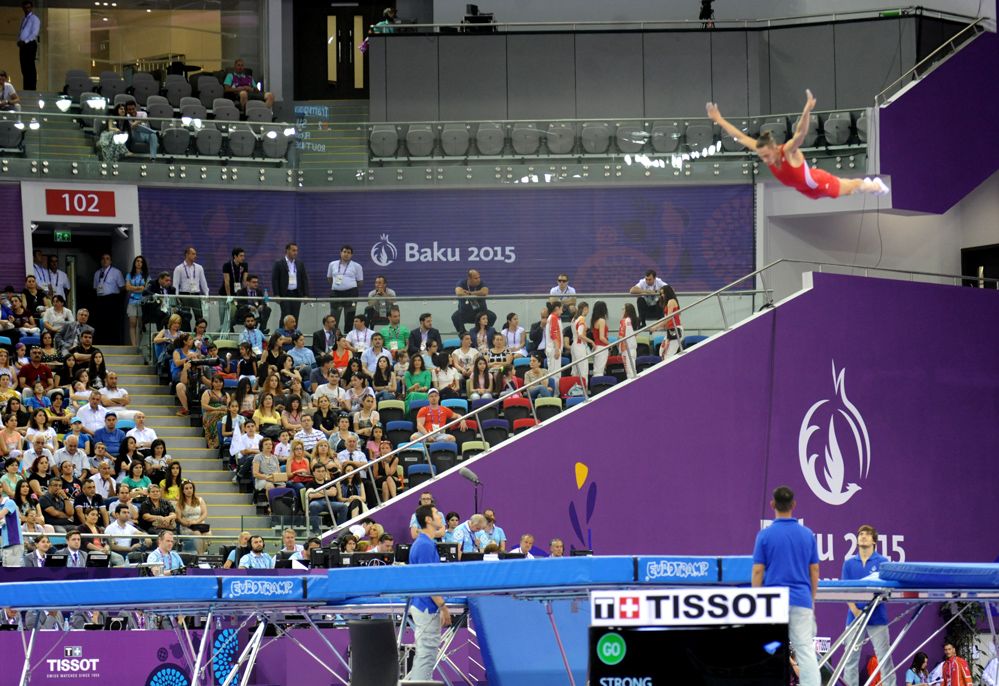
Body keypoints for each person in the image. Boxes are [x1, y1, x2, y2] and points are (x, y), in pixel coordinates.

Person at [707, 91, 888, 199]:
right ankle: (872, 186)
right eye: (761, 156)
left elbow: (800, 133)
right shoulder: (763, 150)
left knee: (850, 188)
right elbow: (738, 136)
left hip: (817, 182)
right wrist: (719, 119)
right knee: (847, 186)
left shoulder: (787, 151)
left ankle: (874, 187)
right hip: (806, 190)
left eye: (767, 155)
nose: (765, 159)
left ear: (774, 148)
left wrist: (807, 110)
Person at [752, 486, 820, 686]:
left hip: (773, 601)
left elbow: (757, 571)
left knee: (768, 647)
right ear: (793, 505)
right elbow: (814, 571)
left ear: (772, 505)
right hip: (801, 599)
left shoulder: (765, 536)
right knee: (805, 650)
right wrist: (812, 599)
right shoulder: (807, 535)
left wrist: (757, 601)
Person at [842, 525, 896, 686]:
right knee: (850, 659)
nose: (863, 536)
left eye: (867, 534)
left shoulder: (883, 562)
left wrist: (875, 604)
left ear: (874, 541)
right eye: (861, 534)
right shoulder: (849, 563)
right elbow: (845, 590)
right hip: (854, 617)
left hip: (877, 617)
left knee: (884, 658)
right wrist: (855, 610)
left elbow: (887, 589)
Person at [407, 503, 452, 681]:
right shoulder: (424, 545)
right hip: (426, 606)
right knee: (426, 654)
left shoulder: (426, 544)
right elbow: (427, 582)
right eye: (436, 514)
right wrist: (443, 607)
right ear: (428, 520)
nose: (441, 516)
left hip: (425, 605)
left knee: (426, 654)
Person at [328, 245, 364, 334]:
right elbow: (330, 278)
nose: (346, 254)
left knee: (350, 316)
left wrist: (349, 287)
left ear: (351, 255)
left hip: (351, 293)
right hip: (336, 293)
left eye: (348, 253)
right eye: (344, 252)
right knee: (334, 316)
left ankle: (347, 335)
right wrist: (338, 287)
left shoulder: (356, 266)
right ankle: (334, 335)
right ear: (340, 253)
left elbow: (360, 281)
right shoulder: (332, 264)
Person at [272, 243, 309, 324]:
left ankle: (294, 335)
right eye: (293, 250)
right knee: (285, 315)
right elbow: (275, 279)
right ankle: (281, 334)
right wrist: (276, 294)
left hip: (296, 293)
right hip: (285, 293)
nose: (295, 252)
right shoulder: (279, 263)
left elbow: (304, 279)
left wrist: (306, 294)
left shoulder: (299, 263)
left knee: (295, 316)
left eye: (296, 251)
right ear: (287, 250)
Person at [92, 254, 126, 344]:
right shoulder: (97, 273)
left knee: (112, 322)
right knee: (101, 321)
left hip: (112, 299)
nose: (105, 260)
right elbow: (95, 287)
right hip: (101, 299)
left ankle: (113, 342)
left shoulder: (116, 272)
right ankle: (102, 341)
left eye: (107, 259)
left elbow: (122, 287)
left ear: (110, 261)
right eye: (103, 259)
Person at [452, 270, 496, 335]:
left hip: (480, 312)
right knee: (455, 317)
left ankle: (484, 334)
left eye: (479, 277)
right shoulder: (462, 282)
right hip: (465, 312)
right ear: (469, 279)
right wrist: (474, 295)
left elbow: (485, 292)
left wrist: (470, 293)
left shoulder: (482, 283)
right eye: (476, 278)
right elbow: (458, 292)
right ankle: (464, 336)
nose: (478, 280)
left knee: (492, 316)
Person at [173, 247, 209, 321]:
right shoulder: (179, 268)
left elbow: (203, 282)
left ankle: (199, 332)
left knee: (199, 316)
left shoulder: (199, 268)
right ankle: (186, 332)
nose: (195, 256)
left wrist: (207, 295)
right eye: (193, 254)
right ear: (187, 254)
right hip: (184, 294)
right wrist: (176, 297)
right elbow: (175, 284)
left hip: (195, 294)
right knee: (185, 317)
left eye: (195, 254)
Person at [176, 481, 210, 554]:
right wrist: (188, 524)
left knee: (208, 533)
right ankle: (200, 556)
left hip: (199, 524)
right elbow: (178, 518)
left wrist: (196, 522)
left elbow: (205, 514)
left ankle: (202, 554)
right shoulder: (180, 503)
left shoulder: (200, 500)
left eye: (191, 488)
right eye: (187, 488)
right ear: (183, 491)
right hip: (187, 526)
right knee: (197, 533)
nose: (189, 490)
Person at [124, 256, 149, 348]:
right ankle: (134, 344)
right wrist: (139, 288)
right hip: (132, 301)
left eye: (141, 262)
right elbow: (127, 288)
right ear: (135, 263)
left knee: (140, 324)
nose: (139, 263)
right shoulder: (130, 275)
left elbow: (145, 289)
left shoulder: (146, 276)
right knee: (133, 322)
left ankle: (139, 344)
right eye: (137, 261)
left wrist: (133, 288)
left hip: (142, 302)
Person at [654, 285, 683, 359]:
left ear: (668, 293)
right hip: (671, 329)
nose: (662, 295)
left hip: (675, 329)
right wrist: (665, 325)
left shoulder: (671, 301)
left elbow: (669, 317)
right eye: (661, 294)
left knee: (667, 354)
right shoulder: (668, 302)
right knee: (662, 351)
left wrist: (657, 327)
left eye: (663, 293)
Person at [17, 2, 39, 91]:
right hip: (23, 45)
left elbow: (34, 33)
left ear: (31, 8)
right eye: (25, 8)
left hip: (29, 44)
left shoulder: (34, 19)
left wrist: (25, 41)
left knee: (30, 66)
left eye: (28, 7)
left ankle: (31, 87)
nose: (27, 9)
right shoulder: (23, 19)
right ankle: (26, 87)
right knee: (24, 67)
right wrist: (18, 41)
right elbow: (20, 31)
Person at [569, 302, 592, 380]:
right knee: (583, 371)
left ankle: (575, 390)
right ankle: (583, 390)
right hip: (580, 345)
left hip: (574, 345)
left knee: (575, 371)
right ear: (585, 308)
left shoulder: (574, 319)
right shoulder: (582, 319)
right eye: (588, 309)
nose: (588, 311)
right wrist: (591, 341)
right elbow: (580, 334)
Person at [1, 489, 23, 567]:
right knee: (5, 576)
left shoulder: (9, 502)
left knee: (12, 575)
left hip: (14, 543)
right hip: (5, 545)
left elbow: (0, 516)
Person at [618, 303, 640, 379]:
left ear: (627, 310)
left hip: (626, 348)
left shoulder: (623, 321)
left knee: (629, 373)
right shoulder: (635, 320)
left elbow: (621, 336)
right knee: (633, 370)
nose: (622, 311)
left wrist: (618, 345)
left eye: (623, 309)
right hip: (633, 348)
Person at [545, 302, 564, 378]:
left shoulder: (554, 317)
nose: (562, 312)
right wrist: (556, 349)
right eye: (561, 309)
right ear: (557, 308)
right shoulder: (553, 317)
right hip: (554, 348)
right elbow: (553, 333)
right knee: (555, 374)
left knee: (555, 372)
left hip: (554, 347)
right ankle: (555, 389)